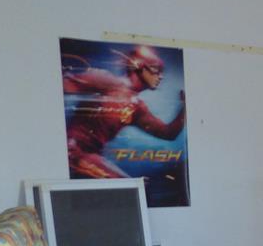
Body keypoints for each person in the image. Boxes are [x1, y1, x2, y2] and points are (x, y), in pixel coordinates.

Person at [63, 45, 185, 179]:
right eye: (156, 69)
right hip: (73, 154)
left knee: (134, 186)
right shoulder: (108, 82)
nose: (160, 76)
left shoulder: (137, 107)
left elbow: (168, 133)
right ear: (139, 66)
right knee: (130, 186)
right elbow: (65, 85)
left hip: (87, 156)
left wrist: (185, 107)